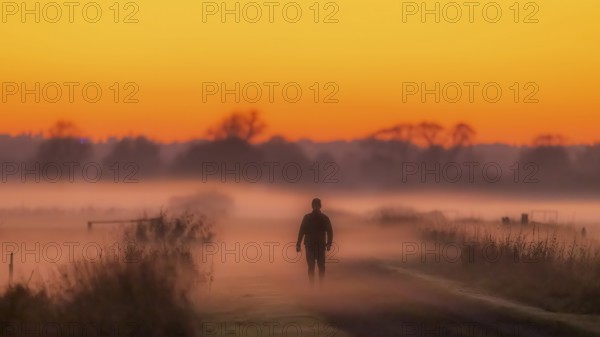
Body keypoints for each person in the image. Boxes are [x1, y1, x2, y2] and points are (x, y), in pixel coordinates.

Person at [296, 198, 333, 287]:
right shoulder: (310, 217)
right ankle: (312, 287)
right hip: (311, 245)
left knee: (320, 267)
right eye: (315, 205)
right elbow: (302, 231)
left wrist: (329, 244)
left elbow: (330, 231)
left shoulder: (323, 218)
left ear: (319, 206)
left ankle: (320, 286)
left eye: (317, 205)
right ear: (313, 206)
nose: (316, 207)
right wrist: (298, 244)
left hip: (319, 245)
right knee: (312, 267)